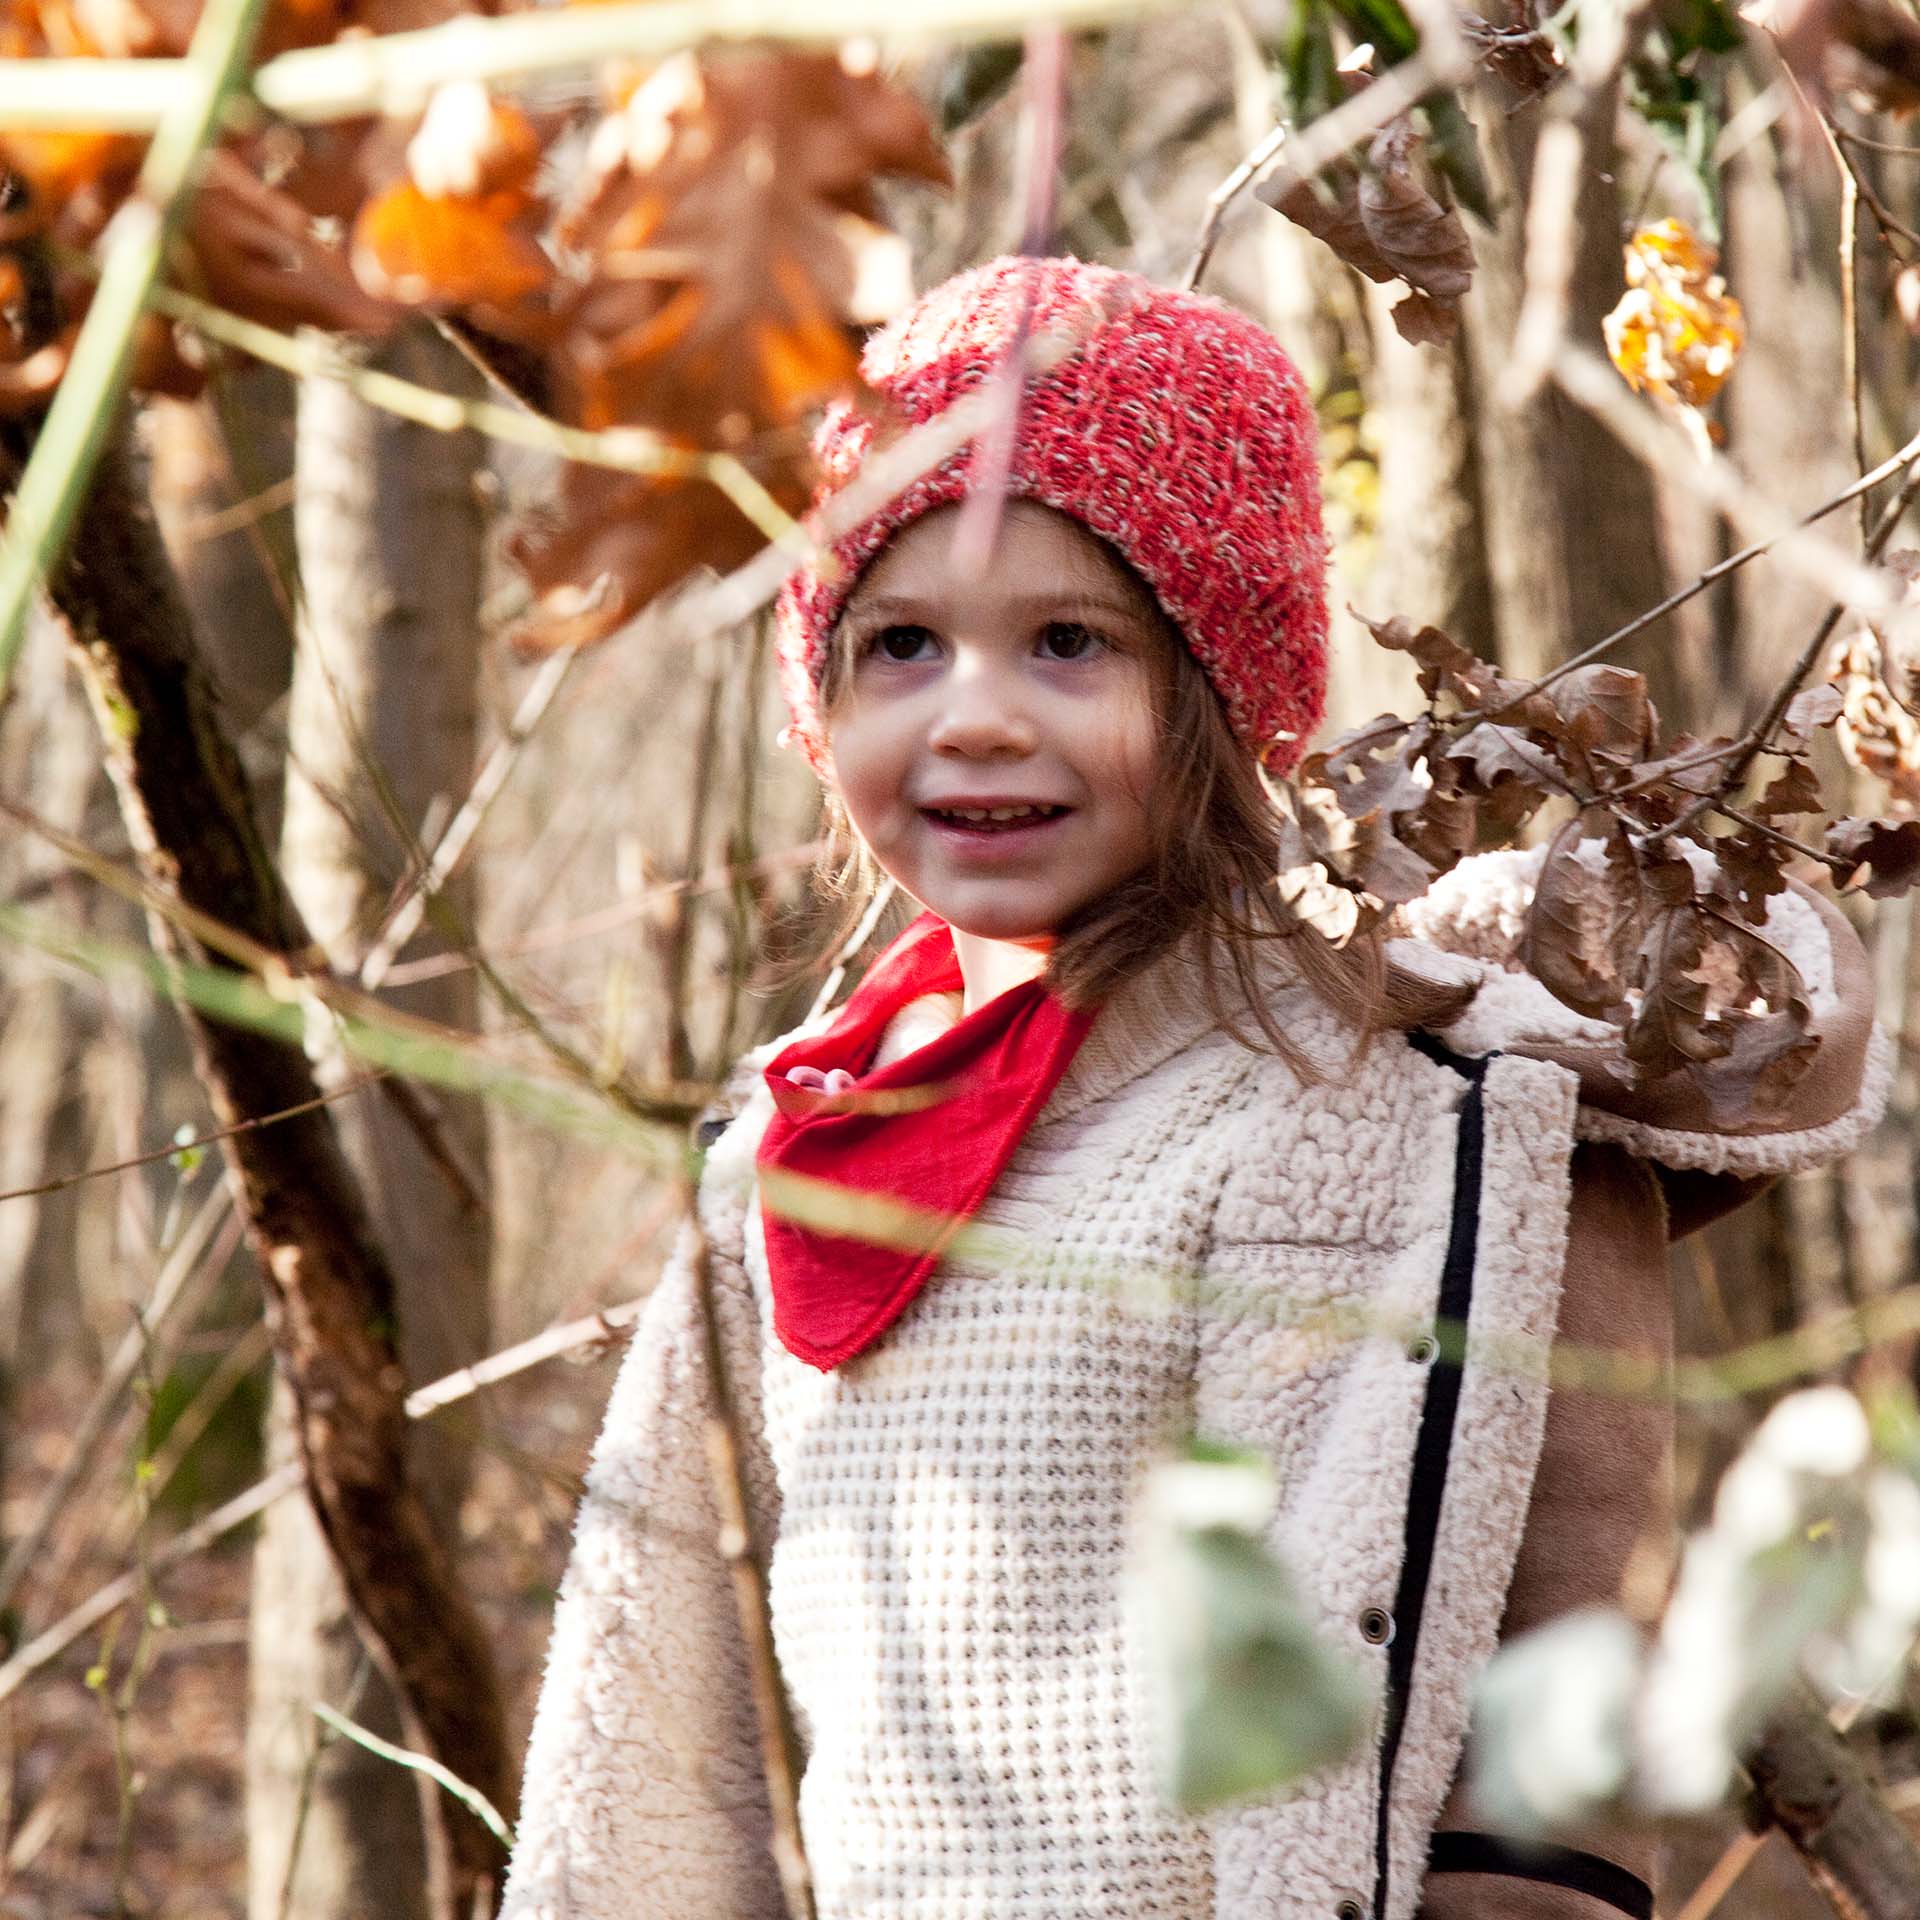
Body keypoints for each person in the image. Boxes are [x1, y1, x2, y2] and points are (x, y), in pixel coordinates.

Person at [497, 257, 1889, 1920]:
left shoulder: (1357, 1119)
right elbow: (651, 1737)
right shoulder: (800, 1146)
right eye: (903, 646)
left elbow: (1498, 1763)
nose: (978, 719)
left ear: (1229, 696)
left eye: (1070, 642)